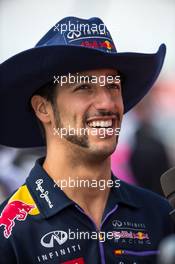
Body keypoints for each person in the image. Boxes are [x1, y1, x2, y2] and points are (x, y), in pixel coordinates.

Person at [0, 16, 174, 264]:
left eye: (113, 86)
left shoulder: (159, 217)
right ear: (43, 109)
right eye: (84, 87)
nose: (107, 103)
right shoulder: (10, 234)